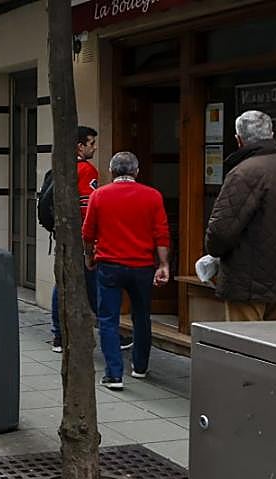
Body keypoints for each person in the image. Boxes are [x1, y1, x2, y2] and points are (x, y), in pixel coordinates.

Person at [205, 110, 276, 322]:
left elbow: (221, 231)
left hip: (249, 279)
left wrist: (214, 253)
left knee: (244, 347)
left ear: (238, 139)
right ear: (271, 134)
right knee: (274, 348)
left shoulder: (244, 172)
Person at [82, 151, 169, 390]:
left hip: (109, 265)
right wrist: (163, 264)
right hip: (141, 266)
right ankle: (140, 366)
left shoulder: (99, 195)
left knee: (108, 319)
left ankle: (114, 374)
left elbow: (88, 233)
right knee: (142, 316)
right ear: (136, 172)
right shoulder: (152, 196)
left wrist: (89, 256)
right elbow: (161, 233)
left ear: (111, 171)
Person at [50, 125, 99, 353]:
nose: (95, 148)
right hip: (80, 236)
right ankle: (109, 328)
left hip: (62, 232)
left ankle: (58, 335)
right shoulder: (87, 170)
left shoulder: (61, 166)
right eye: (91, 143)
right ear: (80, 146)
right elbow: (87, 207)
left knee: (62, 280)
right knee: (93, 282)